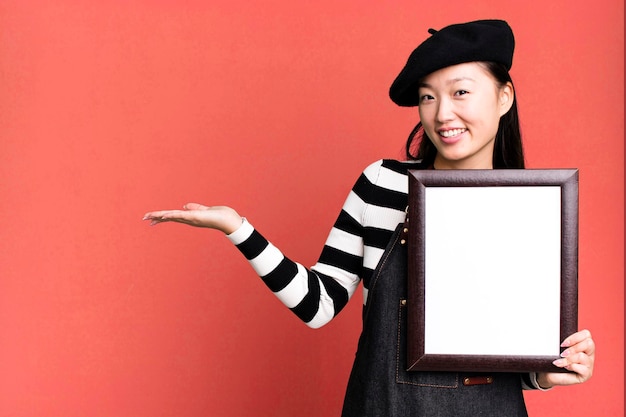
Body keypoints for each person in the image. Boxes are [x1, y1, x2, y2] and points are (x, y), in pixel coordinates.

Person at [143, 19, 595, 416]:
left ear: (503, 97)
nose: (443, 114)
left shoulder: (533, 206)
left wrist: (550, 372)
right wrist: (237, 228)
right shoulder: (382, 184)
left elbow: (512, 354)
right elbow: (318, 306)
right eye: (428, 97)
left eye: (460, 92)